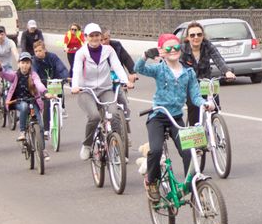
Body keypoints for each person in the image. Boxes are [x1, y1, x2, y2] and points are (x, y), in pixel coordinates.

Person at [135, 33, 214, 201]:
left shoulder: (189, 72)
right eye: (168, 48)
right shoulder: (159, 69)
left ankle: (192, 189)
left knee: (189, 153)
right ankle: (152, 181)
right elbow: (139, 69)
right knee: (155, 150)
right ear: (162, 51)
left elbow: (195, 95)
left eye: (176, 47)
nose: (173, 50)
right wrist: (144, 56)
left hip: (176, 118)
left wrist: (204, 104)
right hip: (158, 116)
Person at [70, 23, 131, 160]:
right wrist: (75, 86)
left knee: (114, 113)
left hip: (105, 89)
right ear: (86, 37)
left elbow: (117, 67)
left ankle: (118, 149)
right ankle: (87, 144)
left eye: (97, 35)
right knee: (95, 117)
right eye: (91, 36)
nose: (95, 38)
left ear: (100, 36)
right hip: (86, 91)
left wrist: (125, 81)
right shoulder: (81, 53)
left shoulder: (108, 50)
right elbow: (77, 70)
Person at [179, 21, 235, 128]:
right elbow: (178, 66)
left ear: (203, 36)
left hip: (206, 82)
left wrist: (227, 72)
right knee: (194, 110)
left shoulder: (207, 45)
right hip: (190, 85)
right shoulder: (183, 49)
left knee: (214, 107)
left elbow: (218, 59)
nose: (196, 37)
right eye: (192, 35)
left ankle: (213, 127)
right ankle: (196, 138)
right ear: (188, 38)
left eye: (199, 34)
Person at [2, 52, 50, 144]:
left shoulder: (33, 75)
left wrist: (45, 92)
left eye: (27, 63)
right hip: (19, 101)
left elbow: (38, 84)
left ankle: (42, 151)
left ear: (30, 64)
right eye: (23, 63)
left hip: (33, 101)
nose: (25, 65)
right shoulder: (15, 75)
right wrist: (0, 69)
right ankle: (22, 131)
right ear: (19, 64)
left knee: (40, 126)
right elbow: (5, 75)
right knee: (24, 107)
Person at [32, 39, 69, 135]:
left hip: (54, 81)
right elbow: (34, 72)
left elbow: (61, 67)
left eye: (40, 50)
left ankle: (63, 107)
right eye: (36, 51)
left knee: (60, 88)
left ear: (45, 50)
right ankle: (46, 130)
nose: (38, 53)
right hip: (43, 84)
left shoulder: (52, 57)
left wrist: (65, 77)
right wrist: (37, 81)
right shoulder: (34, 61)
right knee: (47, 103)